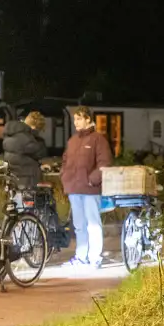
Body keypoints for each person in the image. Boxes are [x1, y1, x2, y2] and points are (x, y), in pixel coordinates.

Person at [61, 106, 113, 269]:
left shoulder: (98, 139)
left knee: (93, 224)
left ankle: (94, 257)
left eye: (79, 118)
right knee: (79, 225)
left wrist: (92, 180)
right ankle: (81, 256)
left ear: (88, 119)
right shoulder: (72, 141)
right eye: (75, 119)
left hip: (90, 190)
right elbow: (65, 162)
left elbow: (104, 163)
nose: (76, 122)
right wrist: (65, 177)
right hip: (74, 189)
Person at [1, 111, 48, 190]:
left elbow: (21, 157)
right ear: (34, 127)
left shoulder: (11, 134)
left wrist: (39, 166)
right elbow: (39, 153)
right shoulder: (27, 138)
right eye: (38, 130)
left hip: (13, 178)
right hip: (27, 180)